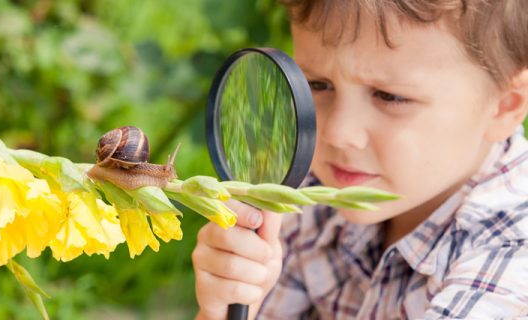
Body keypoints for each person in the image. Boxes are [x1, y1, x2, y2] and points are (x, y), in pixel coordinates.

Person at [192, 0, 528, 318]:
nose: (338, 133)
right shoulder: (313, 202)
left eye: (389, 97)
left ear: (504, 106)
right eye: (318, 84)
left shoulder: (511, 265)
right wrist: (225, 311)